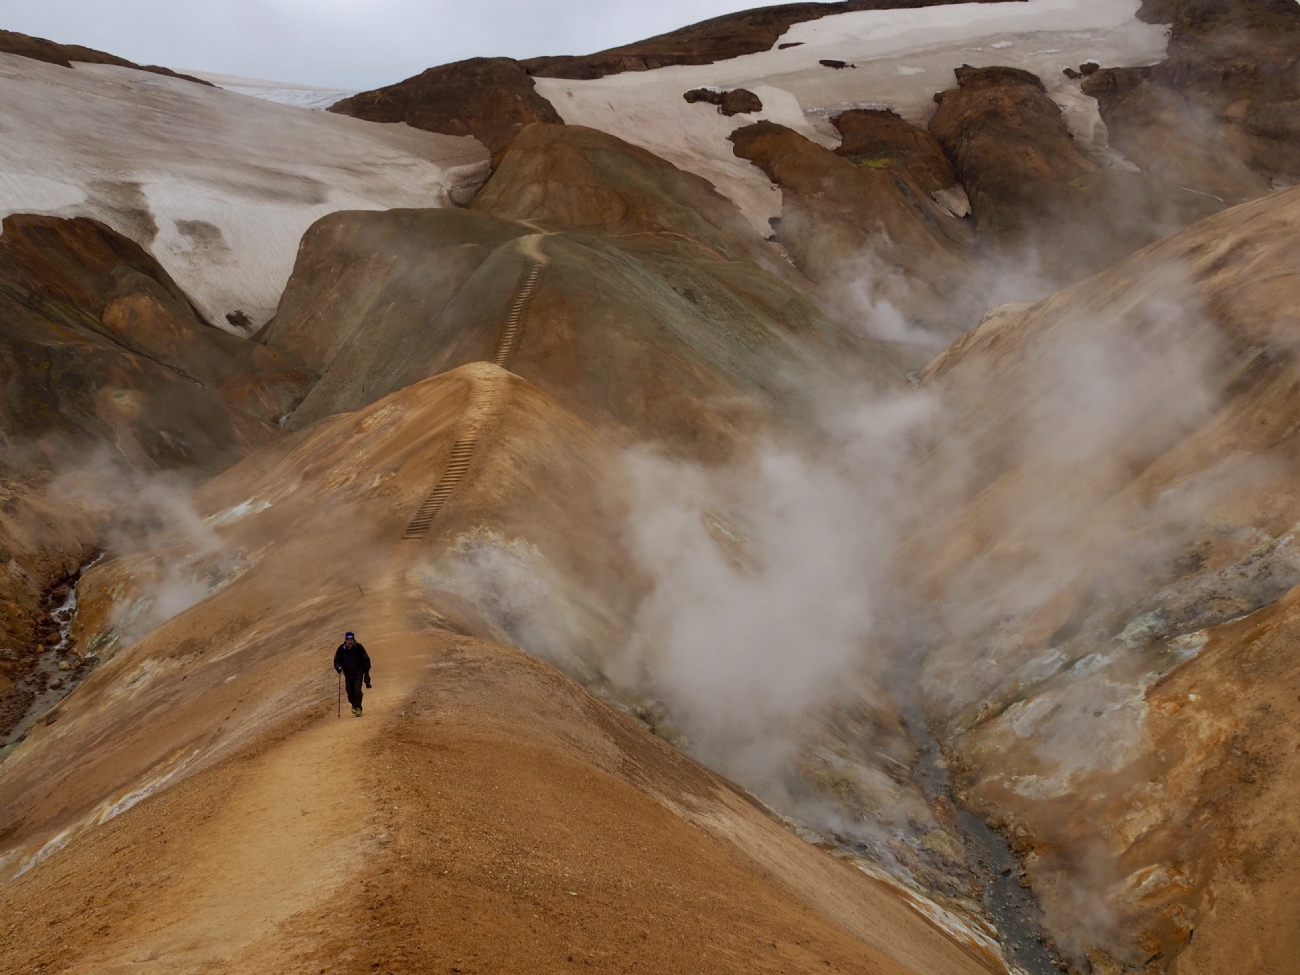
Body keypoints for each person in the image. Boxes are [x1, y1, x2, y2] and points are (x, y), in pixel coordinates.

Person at [333, 631, 371, 716]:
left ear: (354, 639)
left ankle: (358, 708)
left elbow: (365, 659)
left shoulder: (359, 647)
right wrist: (338, 667)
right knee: (349, 691)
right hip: (348, 673)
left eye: (351, 639)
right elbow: (337, 660)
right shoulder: (341, 649)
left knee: (357, 690)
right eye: (348, 639)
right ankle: (354, 704)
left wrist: (366, 673)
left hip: (358, 672)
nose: (349, 641)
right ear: (345, 640)